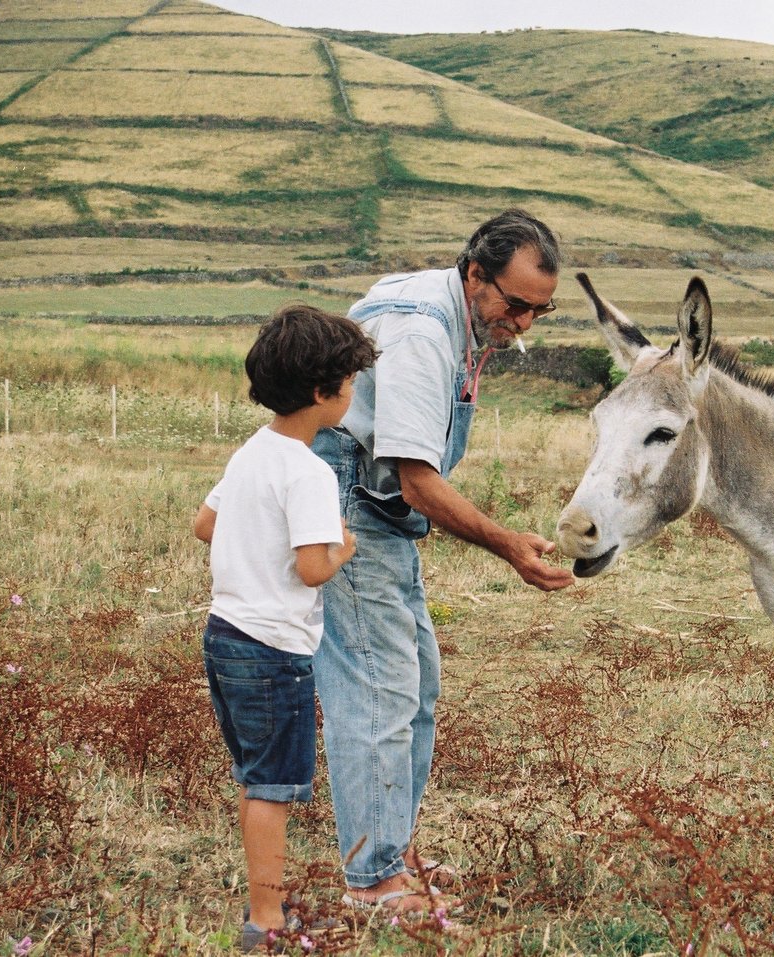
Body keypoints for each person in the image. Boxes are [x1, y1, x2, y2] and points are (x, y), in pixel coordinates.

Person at [311, 208, 575, 915]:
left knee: (415, 680)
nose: (522, 323)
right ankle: (373, 881)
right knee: (377, 686)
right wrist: (511, 546)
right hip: (349, 500)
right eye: (515, 304)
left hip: (376, 502)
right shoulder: (426, 334)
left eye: (539, 311)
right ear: (475, 273)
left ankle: (393, 850)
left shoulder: (456, 314)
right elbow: (415, 479)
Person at [193, 304, 378, 950]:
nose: (354, 391)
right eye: (351, 381)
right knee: (272, 786)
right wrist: (345, 549)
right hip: (273, 650)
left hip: (223, 633)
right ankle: (266, 921)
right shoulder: (310, 472)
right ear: (324, 393)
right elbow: (311, 568)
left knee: (256, 778)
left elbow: (204, 524)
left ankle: (265, 902)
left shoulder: (252, 452)